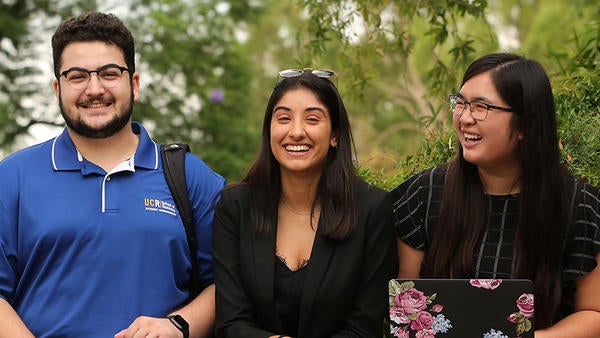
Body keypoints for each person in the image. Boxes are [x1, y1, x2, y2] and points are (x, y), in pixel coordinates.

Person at [0, 11, 225, 338]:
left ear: (134, 84)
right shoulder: (11, 179)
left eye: (109, 73)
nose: (94, 89)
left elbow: (230, 283)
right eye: (77, 76)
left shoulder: (190, 178)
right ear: (56, 88)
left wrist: (178, 325)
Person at [390, 52, 600, 337]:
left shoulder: (579, 205)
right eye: (461, 103)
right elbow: (404, 311)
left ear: (526, 123)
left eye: (480, 107)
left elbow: (593, 313)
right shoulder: (424, 194)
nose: (464, 118)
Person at [212, 68, 397, 338]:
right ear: (269, 131)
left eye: (312, 119)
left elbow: (365, 327)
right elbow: (230, 323)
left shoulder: (372, 210)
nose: (296, 132)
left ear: (335, 134)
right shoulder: (235, 207)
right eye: (284, 118)